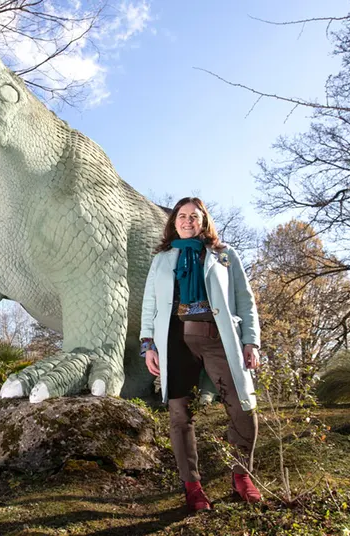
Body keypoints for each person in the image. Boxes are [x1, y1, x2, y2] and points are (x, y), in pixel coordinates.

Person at [140, 197, 262, 512]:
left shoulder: (224, 256)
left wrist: (251, 341)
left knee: (243, 407)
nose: (187, 220)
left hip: (218, 340)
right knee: (181, 414)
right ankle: (192, 486)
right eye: (182, 215)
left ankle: (241, 475)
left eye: (194, 216)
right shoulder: (162, 259)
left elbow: (244, 301)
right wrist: (147, 345)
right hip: (176, 342)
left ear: (204, 221)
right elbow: (150, 305)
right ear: (173, 222)